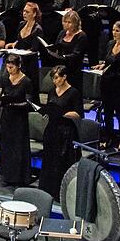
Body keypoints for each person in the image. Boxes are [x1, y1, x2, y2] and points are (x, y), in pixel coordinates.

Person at [39, 66, 83, 200]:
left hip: (66, 132)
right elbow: (49, 107)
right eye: (53, 78)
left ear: (64, 77)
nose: (54, 81)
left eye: (57, 78)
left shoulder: (74, 93)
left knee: (62, 162)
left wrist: (63, 113)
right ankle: (48, 191)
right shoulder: (52, 91)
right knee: (49, 160)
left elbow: (78, 114)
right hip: (52, 129)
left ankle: (62, 193)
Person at [92, 21, 120, 151]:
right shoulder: (110, 44)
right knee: (108, 113)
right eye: (113, 30)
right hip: (107, 83)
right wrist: (101, 66)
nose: (114, 33)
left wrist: (113, 73)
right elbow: (107, 62)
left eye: (117, 31)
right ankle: (108, 137)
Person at [0, 54, 34, 185]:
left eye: (11, 67)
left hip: (19, 118)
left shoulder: (26, 81)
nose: (9, 70)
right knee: (6, 145)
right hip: (7, 116)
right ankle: (7, 176)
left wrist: (14, 104)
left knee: (18, 146)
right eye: (7, 67)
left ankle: (19, 177)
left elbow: (29, 102)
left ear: (19, 66)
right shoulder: (4, 78)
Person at [5, 2, 44, 102]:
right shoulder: (21, 24)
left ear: (34, 14)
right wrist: (12, 44)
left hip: (30, 64)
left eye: (27, 12)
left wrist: (20, 52)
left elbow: (34, 49)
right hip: (19, 62)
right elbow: (19, 41)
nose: (24, 13)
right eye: (24, 11)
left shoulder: (38, 29)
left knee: (29, 93)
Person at [70, 0, 105, 65]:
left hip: (91, 31)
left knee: (92, 59)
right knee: (76, 58)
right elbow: (75, 6)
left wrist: (85, 16)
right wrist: (70, 10)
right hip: (79, 29)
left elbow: (100, 13)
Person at [49, 10, 88, 91]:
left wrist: (63, 56)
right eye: (65, 22)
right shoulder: (62, 33)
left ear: (75, 23)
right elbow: (57, 46)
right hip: (60, 68)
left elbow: (77, 54)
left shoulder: (81, 36)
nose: (66, 24)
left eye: (69, 22)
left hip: (73, 69)